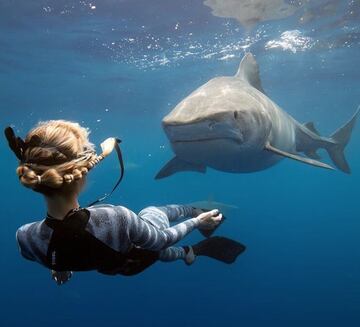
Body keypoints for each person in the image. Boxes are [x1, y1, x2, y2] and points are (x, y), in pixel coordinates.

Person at [5, 120, 245, 285]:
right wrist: (195, 220)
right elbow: (162, 240)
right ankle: (196, 212)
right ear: (83, 173)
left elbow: (58, 243)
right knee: (151, 217)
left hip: (111, 267)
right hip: (138, 259)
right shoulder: (116, 217)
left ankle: (187, 253)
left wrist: (58, 266)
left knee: (143, 246)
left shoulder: (25, 237)